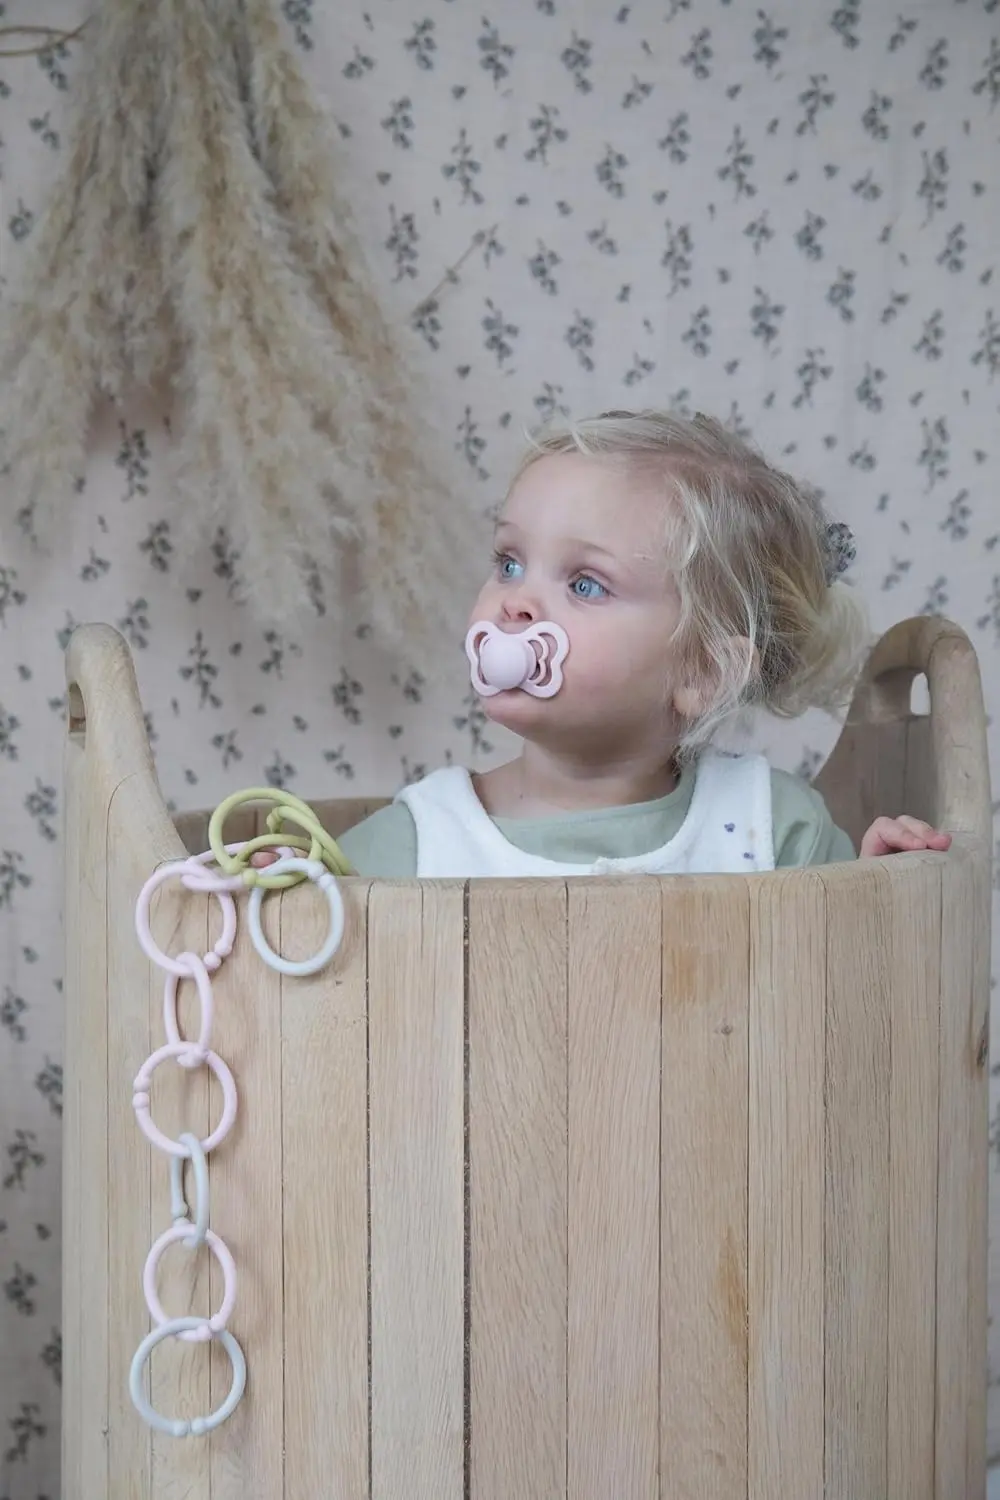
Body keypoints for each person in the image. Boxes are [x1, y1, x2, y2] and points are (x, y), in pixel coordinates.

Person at [257, 409, 951, 878]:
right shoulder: (418, 843)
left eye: (585, 584)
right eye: (509, 562)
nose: (515, 601)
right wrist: (292, 899)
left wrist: (883, 892)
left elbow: (845, 996)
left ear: (704, 671)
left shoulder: (770, 831)